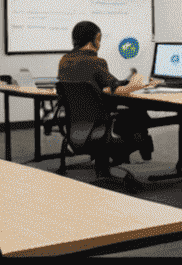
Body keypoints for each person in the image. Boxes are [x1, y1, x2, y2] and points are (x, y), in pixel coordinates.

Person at [58, 19, 155, 161]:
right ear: (96, 39)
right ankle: (140, 142)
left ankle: (125, 152)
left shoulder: (64, 61)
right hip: (99, 125)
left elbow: (98, 84)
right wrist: (136, 83)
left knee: (130, 111)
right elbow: (116, 88)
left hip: (75, 129)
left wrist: (120, 82)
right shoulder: (97, 62)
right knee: (136, 110)